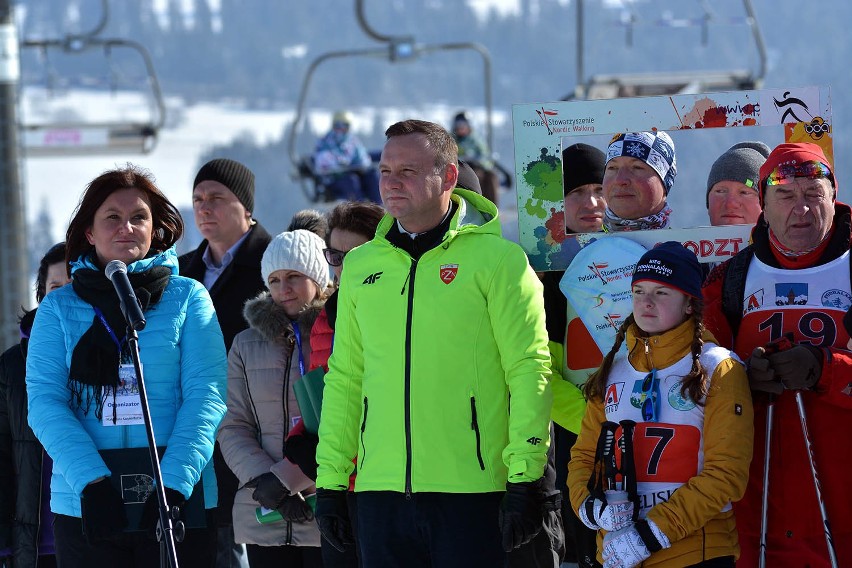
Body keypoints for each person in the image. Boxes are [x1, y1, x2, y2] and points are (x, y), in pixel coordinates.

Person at [314, 119, 554, 567]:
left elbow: (529, 368)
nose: (391, 182)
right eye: (385, 171)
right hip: (379, 491)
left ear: (446, 176)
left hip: (473, 491)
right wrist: (329, 482)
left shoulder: (499, 261)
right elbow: (346, 378)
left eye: (407, 170)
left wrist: (525, 476)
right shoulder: (363, 265)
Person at [25, 165, 227, 567]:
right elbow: (45, 403)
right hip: (89, 505)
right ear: (89, 232)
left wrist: (173, 484)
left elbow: (207, 397)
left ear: (155, 228)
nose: (127, 228)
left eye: (139, 217)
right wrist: (92, 482)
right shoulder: (58, 307)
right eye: (112, 218)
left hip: (175, 501)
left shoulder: (188, 297)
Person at [702, 142, 852, 567]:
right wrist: (739, 378)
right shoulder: (731, 278)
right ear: (763, 205)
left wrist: (826, 368)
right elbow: (692, 376)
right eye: (786, 196)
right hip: (759, 516)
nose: (800, 210)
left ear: (833, 196)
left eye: (813, 195)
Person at [568, 242, 753, 567]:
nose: (646, 302)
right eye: (639, 291)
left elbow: (726, 475)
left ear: (689, 304)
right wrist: (591, 508)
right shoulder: (614, 369)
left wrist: (650, 534)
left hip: (693, 552)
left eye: (662, 292)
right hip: (616, 554)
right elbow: (583, 457)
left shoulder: (718, 368)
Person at [217, 229, 333, 567]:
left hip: (326, 504)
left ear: (318, 277)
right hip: (263, 505)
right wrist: (266, 482)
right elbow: (233, 424)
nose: (284, 288)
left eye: (295, 276)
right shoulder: (245, 344)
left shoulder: (341, 333)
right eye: (275, 279)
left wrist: (290, 479)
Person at [179, 157, 272, 568]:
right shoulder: (183, 273)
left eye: (217, 197)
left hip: (259, 428)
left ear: (246, 207)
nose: (204, 207)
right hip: (197, 426)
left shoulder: (274, 266)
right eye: (198, 199)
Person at [541, 141, 608, 568]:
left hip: (641, 434)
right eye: (576, 192)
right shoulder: (545, 275)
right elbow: (539, 369)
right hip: (573, 440)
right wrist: (593, 421)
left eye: (599, 188)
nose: (591, 202)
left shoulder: (639, 258)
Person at [0, 242, 69, 568]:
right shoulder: (12, 366)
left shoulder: (115, 354)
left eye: (76, 285)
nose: (66, 295)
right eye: (56, 287)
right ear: (42, 295)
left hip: (99, 537)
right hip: (36, 544)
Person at [601, 131, 677, 232]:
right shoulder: (585, 246)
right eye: (612, 168)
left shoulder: (687, 246)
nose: (620, 180)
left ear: (665, 181)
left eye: (637, 167)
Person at [313, 111, 380, 203]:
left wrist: (360, 165)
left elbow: (362, 158)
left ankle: (380, 209)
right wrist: (341, 164)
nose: (341, 129)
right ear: (333, 126)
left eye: (345, 126)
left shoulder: (352, 141)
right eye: (338, 125)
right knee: (351, 180)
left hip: (353, 175)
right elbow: (323, 162)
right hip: (335, 180)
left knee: (372, 176)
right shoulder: (326, 142)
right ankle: (360, 211)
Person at [706, 141, 770, 227]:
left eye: (744, 192)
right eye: (720, 191)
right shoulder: (685, 239)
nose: (730, 203)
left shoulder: (792, 240)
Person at [452, 111, 500, 206]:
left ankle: (492, 206)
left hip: (477, 167)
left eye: (463, 125)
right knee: (475, 177)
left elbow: (485, 156)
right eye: (458, 125)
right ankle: (475, 205)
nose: (461, 128)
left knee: (491, 176)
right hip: (461, 169)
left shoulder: (475, 140)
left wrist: (480, 161)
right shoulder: (452, 140)